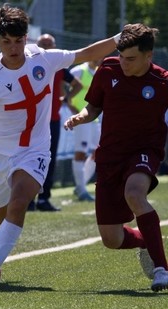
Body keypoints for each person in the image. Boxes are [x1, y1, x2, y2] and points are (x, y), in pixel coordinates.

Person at [0, 4, 119, 266]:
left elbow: (84, 53)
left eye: (19, 40)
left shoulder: (43, 58)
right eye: (7, 41)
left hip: (35, 150)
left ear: (26, 38)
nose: (13, 48)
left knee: (20, 202)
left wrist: (117, 39)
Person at [64, 23, 168, 292]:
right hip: (110, 156)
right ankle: (146, 240)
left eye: (131, 58)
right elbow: (94, 107)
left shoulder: (162, 81)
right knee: (111, 238)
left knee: (135, 193)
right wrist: (81, 116)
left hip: (144, 151)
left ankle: (161, 269)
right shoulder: (108, 69)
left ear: (149, 56)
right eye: (121, 56)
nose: (123, 63)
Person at [32, 33, 82, 211]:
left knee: (49, 160)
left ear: (54, 46)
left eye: (48, 44)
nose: (45, 47)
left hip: (52, 120)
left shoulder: (58, 67)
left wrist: (65, 98)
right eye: (42, 44)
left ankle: (44, 199)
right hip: (31, 121)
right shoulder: (28, 63)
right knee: (28, 159)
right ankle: (28, 200)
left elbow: (77, 85)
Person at [70, 59, 102, 201]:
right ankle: (82, 190)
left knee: (98, 152)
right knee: (80, 153)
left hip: (94, 119)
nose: (99, 58)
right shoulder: (78, 70)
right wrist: (68, 104)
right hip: (80, 119)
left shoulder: (98, 72)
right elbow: (63, 86)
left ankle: (80, 186)